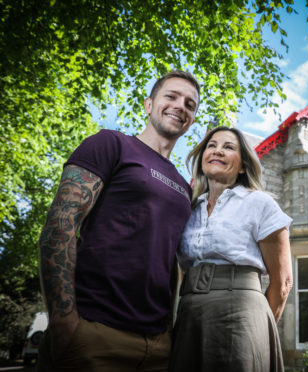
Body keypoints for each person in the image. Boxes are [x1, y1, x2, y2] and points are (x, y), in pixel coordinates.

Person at [37, 70, 200, 372]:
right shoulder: (110, 144)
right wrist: (63, 322)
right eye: (172, 96)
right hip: (94, 333)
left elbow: (174, 261)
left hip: (159, 344)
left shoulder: (184, 187)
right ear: (149, 104)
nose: (181, 106)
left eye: (190, 104)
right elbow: (61, 225)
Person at [169, 126, 293, 372]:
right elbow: (185, 271)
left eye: (228, 147)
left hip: (241, 316)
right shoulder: (189, 208)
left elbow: (283, 282)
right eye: (212, 145)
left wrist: (256, 328)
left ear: (243, 166)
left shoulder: (259, 203)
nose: (217, 151)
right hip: (189, 316)